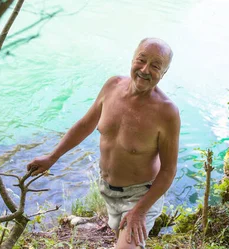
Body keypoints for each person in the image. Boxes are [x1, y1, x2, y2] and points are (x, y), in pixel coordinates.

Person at [27, 38, 180, 249]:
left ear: (164, 73)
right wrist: (52, 157)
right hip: (108, 190)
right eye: (141, 60)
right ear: (133, 59)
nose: (145, 69)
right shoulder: (112, 86)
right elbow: (85, 125)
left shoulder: (166, 113)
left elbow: (169, 170)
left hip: (141, 195)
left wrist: (140, 210)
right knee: (121, 238)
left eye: (155, 66)